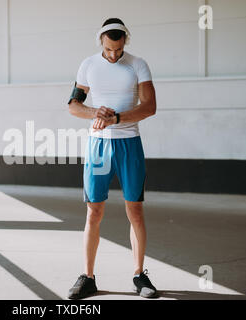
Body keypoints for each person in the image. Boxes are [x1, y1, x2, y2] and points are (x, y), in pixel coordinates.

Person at [67, 18, 158, 299]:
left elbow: (150, 106)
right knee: (93, 212)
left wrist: (117, 118)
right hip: (98, 147)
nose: (114, 54)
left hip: (129, 144)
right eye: (109, 49)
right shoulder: (88, 65)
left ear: (125, 43)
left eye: (118, 49)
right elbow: (73, 105)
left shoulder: (138, 64)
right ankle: (88, 277)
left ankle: (140, 275)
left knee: (135, 211)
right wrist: (97, 113)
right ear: (101, 42)